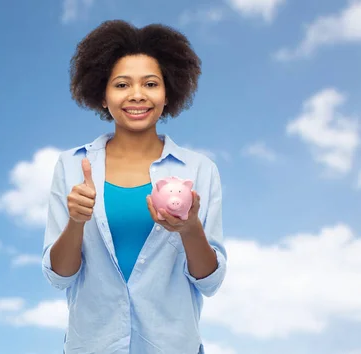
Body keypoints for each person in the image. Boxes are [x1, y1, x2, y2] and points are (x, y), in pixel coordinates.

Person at [41, 19, 227, 354]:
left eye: (151, 84)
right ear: (102, 94)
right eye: (122, 85)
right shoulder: (71, 166)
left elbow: (210, 281)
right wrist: (76, 222)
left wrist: (190, 229)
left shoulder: (200, 170)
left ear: (168, 92)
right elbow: (59, 277)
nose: (137, 95)